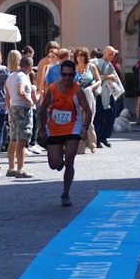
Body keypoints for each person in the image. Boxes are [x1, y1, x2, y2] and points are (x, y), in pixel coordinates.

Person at [38, 60, 92, 207]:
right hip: (54, 128)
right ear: (60, 74)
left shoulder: (77, 90)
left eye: (70, 75)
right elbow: (43, 109)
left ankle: (66, 193)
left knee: (70, 160)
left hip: (72, 127)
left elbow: (88, 110)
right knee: (54, 164)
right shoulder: (54, 89)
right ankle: (59, 160)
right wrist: (42, 129)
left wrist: (85, 127)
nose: (67, 78)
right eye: (64, 75)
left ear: (74, 75)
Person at [5, 56, 35, 178]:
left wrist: (8, 110)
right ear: (30, 66)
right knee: (22, 140)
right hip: (22, 109)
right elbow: (20, 91)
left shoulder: (11, 76)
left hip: (13, 108)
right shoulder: (22, 76)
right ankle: (20, 168)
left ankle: (11, 167)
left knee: (13, 139)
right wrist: (30, 102)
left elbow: (7, 95)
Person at [74, 47, 101, 154]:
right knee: (78, 122)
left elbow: (99, 81)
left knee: (88, 121)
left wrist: (91, 87)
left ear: (86, 56)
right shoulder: (73, 68)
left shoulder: (91, 67)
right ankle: (80, 146)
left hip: (89, 96)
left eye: (82, 55)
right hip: (76, 97)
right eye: (78, 55)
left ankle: (92, 144)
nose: (79, 57)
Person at [91, 46, 119, 147]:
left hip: (108, 93)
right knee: (98, 117)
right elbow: (95, 76)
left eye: (113, 55)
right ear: (105, 53)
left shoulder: (109, 64)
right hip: (98, 93)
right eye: (110, 54)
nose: (112, 56)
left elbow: (114, 76)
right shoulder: (94, 62)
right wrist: (108, 77)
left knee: (110, 116)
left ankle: (103, 137)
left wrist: (113, 79)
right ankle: (97, 139)